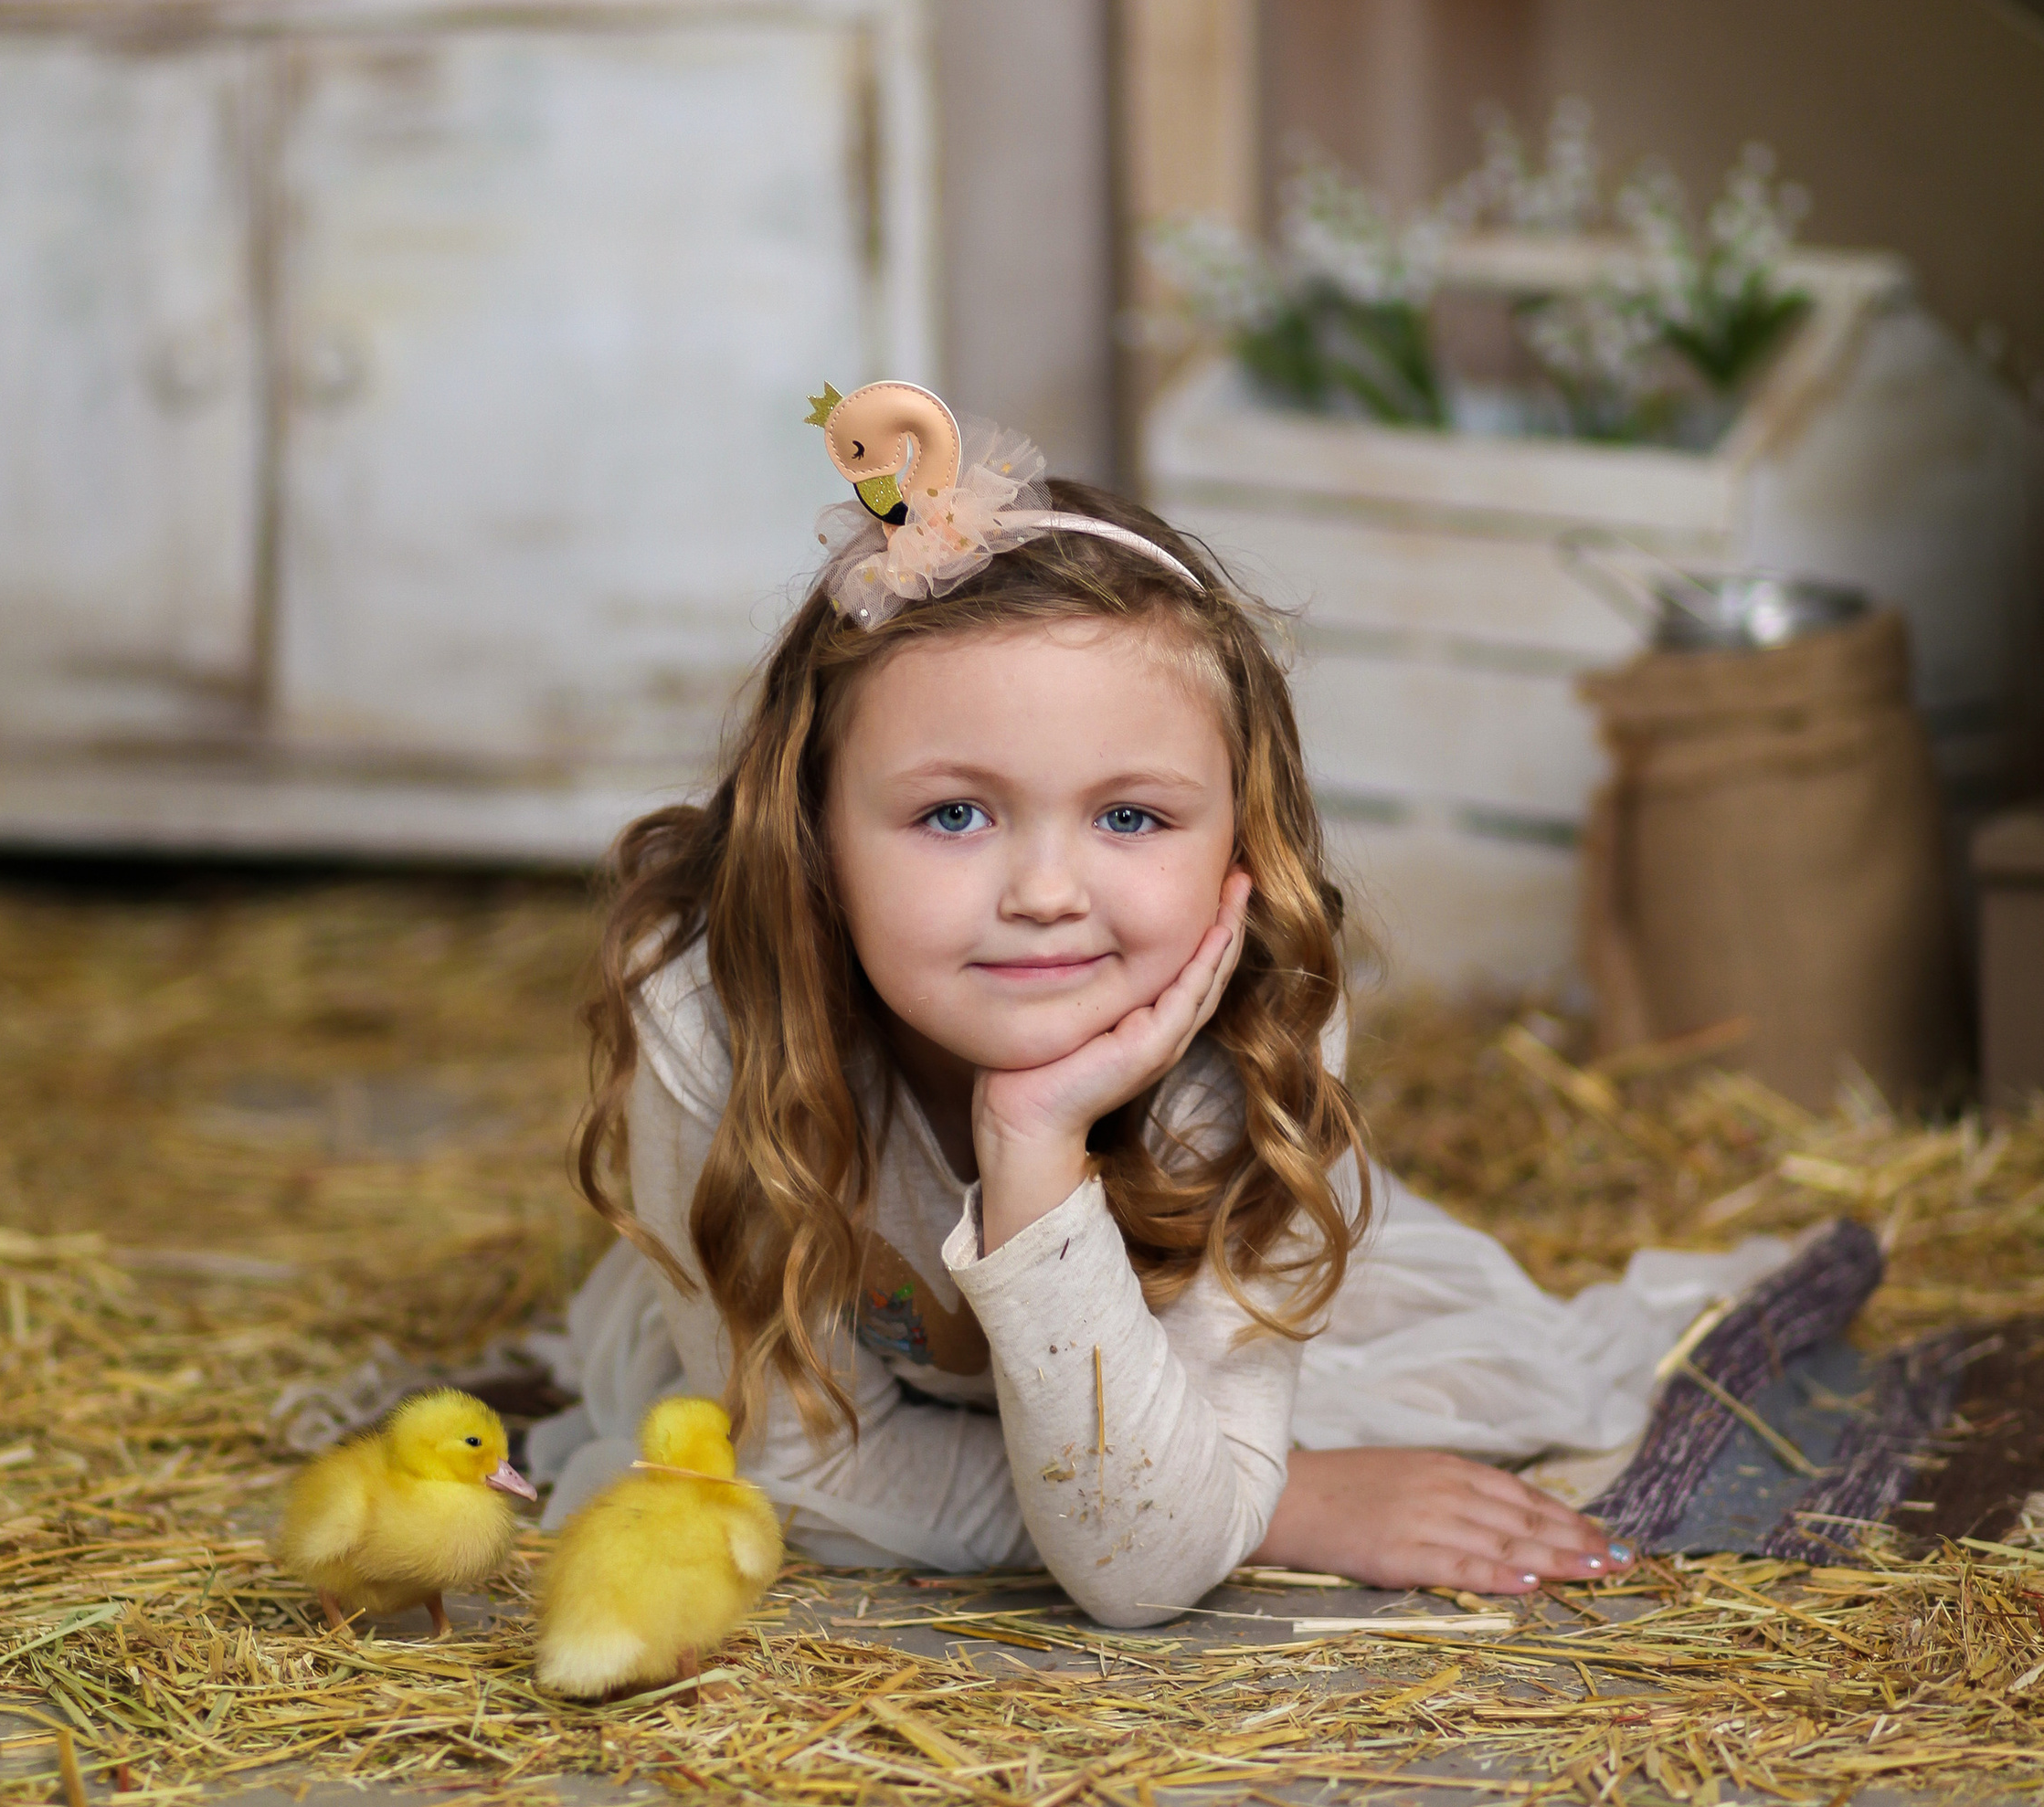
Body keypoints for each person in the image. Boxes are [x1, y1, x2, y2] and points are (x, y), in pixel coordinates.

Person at [531, 382, 1781, 1629]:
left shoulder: (1253, 1023)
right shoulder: (715, 1008)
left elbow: (1131, 1571)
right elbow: (811, 1469)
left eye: (1130, 816)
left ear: (1239, 836)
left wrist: (1030, 1142)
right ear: (811, 833)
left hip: (1167, 1321)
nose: (1046, 894)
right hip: (904, 1395)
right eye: (953, 814)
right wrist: (1262, 1507)